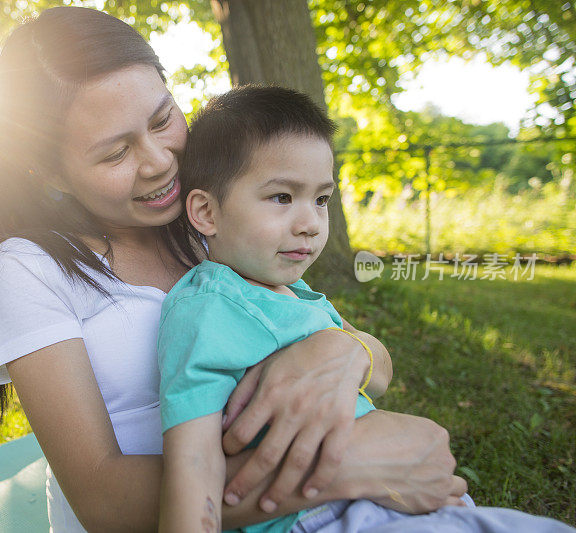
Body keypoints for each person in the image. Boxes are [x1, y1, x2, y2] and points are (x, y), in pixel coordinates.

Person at [0, 7, 470, 532]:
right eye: (116, 153)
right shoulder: (31, 267)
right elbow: (103, 501)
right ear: (50, 172)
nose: (159, 160)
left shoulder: (212, 222)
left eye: (162, 120)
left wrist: (347, 352)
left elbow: (349, 345)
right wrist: (351, 465)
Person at [157, 85, 575, 533]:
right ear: (206, 212)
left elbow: (375, 368)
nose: (310, 223)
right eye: (282, 197)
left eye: (321, 199)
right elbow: (194, 465)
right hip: (326, 517)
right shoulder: (208, 307)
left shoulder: (294, 294)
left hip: (396, 495)